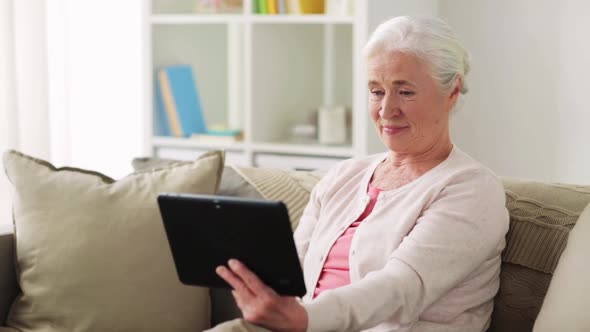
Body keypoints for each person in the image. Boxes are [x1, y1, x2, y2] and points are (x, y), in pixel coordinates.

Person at [208, 16, 509, 332]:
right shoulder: (344, 175)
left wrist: (306, 319)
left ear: (453, 92)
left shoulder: (471, 189)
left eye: (404, 92)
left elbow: (401, 287)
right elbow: (292, 269)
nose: (386, 109)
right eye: (376, 91)